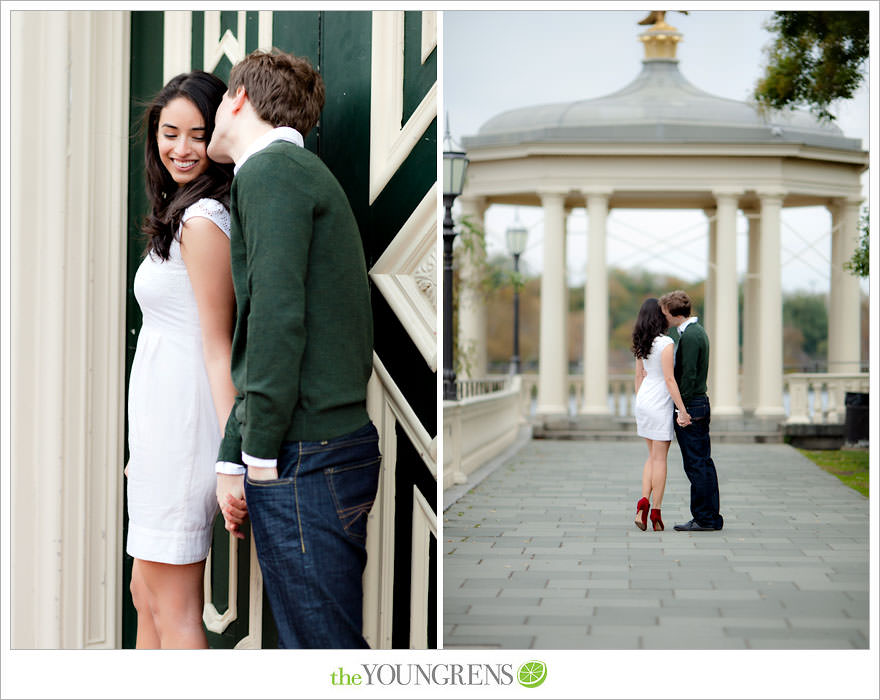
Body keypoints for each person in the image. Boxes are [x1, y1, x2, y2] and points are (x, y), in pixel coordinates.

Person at [207, 49, 381, 649]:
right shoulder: (284, 171)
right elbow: (264, 327)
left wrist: (256, 456)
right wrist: (236, 457)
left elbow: (276, 322)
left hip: (305, 454)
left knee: (323, 657)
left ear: (239, 99)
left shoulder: (269, 172)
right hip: (316, 449)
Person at [126, 71, 237, 648]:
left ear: (219, 136)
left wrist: (231, 458)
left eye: (198, 134)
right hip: (156, 434)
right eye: (170, 132)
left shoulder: (203, 221)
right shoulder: (179, 212)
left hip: (183, 431)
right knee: (145, 598)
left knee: (174, 607)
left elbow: (219, 346)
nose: (182, 149)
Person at [658, 290, 724, 531]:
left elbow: (688, 376)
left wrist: (681, 410)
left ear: (673, 313)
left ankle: (705, 518)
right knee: (702, 462)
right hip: (697, 403)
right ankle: (709, 517)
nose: (662, 316)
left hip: (692, 405)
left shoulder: (691, 336)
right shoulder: (695, 332)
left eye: (664, 312)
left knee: (696, 463)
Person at [631, 298, 691, 532]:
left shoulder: (641, 342)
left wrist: (640, 402)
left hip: (643, 401)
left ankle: (642, 503)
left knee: (650, 457)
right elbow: (669, 379)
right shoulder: (666, 343)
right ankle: (655, 510)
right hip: (659, 403)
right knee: (660, 459)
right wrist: (682, 409)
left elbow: (638, 377)